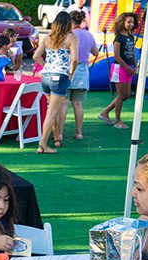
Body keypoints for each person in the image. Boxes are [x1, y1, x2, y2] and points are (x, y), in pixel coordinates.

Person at [33, 11, 78, 153]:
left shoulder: (48, 38)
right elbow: (75, 59)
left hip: (46, 76)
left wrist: (45, 65)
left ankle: (57, 138)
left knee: (53, 110)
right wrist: (71, 72)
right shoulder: (71, 38)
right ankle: (43, 145)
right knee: (52, 112)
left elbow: (35, 56)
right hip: (60, 76)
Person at [58, 10, 98, 140]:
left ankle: (59, 133)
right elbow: (96, 52)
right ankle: (79, 132)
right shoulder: (88, 35)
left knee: (63, 103)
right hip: (82, 71)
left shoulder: (67, 35)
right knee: (77, 103)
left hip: (67, 69)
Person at [97, 12, 138, 130]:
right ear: (122, 23)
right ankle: (118, 121)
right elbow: (117, 56)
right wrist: (128, 68)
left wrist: (135, 66)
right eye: (128, 22)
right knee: (121, 95)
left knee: (127, 94)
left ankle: (105, 111)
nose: (131, 24)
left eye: (132, 22)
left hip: (129, 68)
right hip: (120, 68)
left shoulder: (131, 37)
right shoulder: (118, 38)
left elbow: (133, 53)